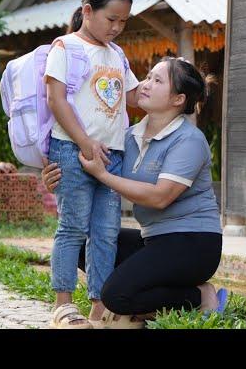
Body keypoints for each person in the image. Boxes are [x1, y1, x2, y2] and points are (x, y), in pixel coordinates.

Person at [42, 56, 227, 329]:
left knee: (116, 296)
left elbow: (160, 197)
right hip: (154, 240)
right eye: (148, 76)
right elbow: (89, 170)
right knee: (82, 245)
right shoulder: (128, 136)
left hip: (194, 243)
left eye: (157, 80)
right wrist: (56, 179)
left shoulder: (189, 140)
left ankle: (198, 295)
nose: (145, 84)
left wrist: (103, 175)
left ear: (178, 99)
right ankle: (159, 292)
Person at [44, 0, 141, 328]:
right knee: (72, 227)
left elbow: (132, 96)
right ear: (88, 11)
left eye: (123, 22)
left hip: (112, 157)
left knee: (106, 231)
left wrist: (174, 83)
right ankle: (63, 303)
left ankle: (100, 306)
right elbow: (56, 100)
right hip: (72, 150)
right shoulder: (66, 48)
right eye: (111, 19)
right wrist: (85, 143)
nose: (117, 28)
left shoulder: (117, 54)